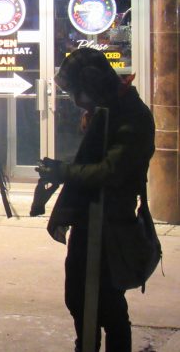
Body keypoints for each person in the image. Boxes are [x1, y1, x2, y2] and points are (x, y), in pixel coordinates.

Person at [35, 48, 155, 352]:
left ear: (94, 83)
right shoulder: (105, 110)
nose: (77, 100)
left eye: (78, 91)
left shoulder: (131, 114)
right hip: (88, 217)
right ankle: (85, 344)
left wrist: (66, 172)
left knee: (107, 301)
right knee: (77, 295)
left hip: (112, 222)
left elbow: (110, 171)